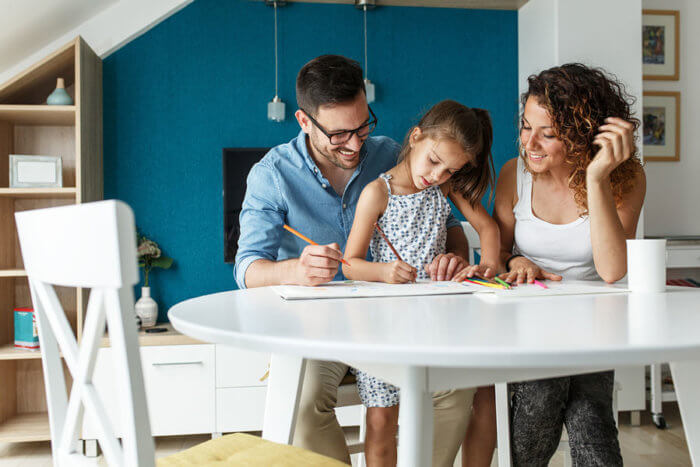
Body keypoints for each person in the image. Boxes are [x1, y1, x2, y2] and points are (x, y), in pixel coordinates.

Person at [234, 54, 475, 465]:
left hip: (397, 321)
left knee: (457, 387)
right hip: (319, 324)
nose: (356, 143)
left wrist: (452, 256)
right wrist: (297, 268)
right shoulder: (272, 173)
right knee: (304, 403)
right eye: (340, 133)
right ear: (304, 121)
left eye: (364, 126)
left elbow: (447, 221)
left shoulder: (393, 155)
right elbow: (247, 269)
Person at [493, 63, 646, 466]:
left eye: (549, 133)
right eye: (527, 127)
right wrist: (517, 258)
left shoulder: (626, 179)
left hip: (595, 328)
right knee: (541, 398)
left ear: (583, 135)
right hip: (529, 323)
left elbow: (612, 270)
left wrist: (596, 178)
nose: (531, 143)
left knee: (591, 421)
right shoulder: (514, 175)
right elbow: (497, 254)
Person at [342, 99, 501, 466]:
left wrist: (488, 266)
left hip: (434, 325)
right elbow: (350, 265)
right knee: (382, 419)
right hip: (379, 327)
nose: (437, 175)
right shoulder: (377, 193)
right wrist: (384, 272)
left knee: (438, 409)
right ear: (416, 137)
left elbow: (488, 228)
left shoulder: (444, 189)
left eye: (450, 170)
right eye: (433, 161)